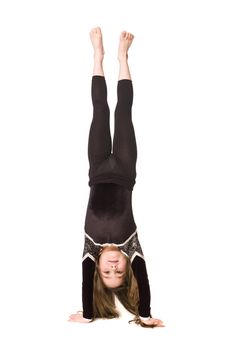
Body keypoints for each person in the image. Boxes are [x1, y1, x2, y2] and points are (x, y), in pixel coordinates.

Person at [68, 27, 164, 328]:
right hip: (124, 168)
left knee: (99, 110)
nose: (112, 267)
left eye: (106, 273)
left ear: (96, 269)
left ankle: (98, 56)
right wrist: (145, 316)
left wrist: (87, 314)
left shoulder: (89, 247)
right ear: (128, 266)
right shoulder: (130, 242)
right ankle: (123, 59)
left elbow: (87, 288)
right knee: (123, 111)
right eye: (119, 272)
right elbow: (143, 282)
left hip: (96, 168)